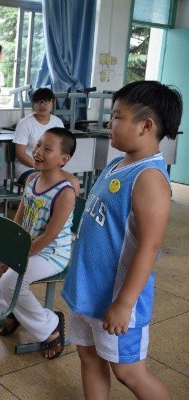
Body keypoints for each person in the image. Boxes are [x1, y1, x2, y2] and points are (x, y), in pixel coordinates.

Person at [61, 81, 182, 400]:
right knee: (89, 356)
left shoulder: (149, 178)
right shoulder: (119, 164)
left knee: (129, 371)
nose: (109, 123)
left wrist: (125, 303)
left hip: (115, 298)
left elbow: (150, 247)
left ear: (146, 125)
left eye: (117, 116)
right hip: (87, 289)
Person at [0, 127, 77, 360]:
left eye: (47, 149)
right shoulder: (32, 179)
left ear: (63, 160)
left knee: (10, 280)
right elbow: (20, 216)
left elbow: (49, 236)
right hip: (25, 247)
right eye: (38, 145)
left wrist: (15, 258)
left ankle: (50, 327)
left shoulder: (65, 193)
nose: (38, 151)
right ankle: (11, 310)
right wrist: (8, 248)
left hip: (51, 254)